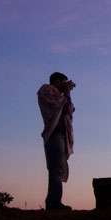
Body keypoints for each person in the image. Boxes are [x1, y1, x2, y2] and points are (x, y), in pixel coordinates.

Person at [38, 72, 76, 211]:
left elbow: (68, 109)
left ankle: (54, 201)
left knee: (57, 169)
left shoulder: (61, 95)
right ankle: (54, 203)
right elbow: (56, 106)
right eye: (63, 82)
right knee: (55, 170)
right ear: (56, 81)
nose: (65, 85)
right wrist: (65, 93)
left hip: (61, 135)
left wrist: (67, 94)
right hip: (54, 134)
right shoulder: (46, 90)